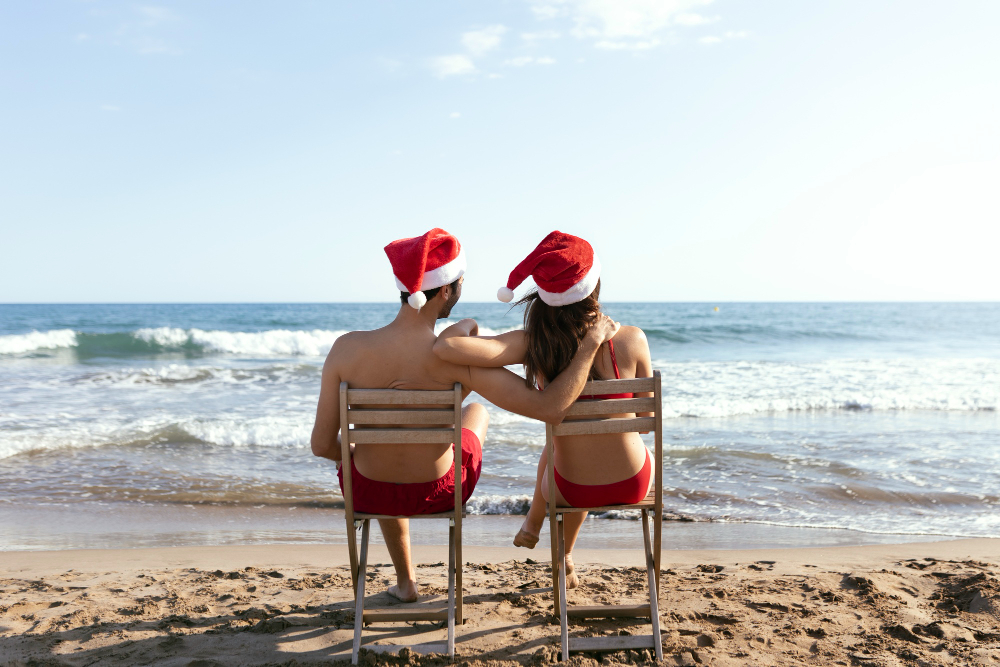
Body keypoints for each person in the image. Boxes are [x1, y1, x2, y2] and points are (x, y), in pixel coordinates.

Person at [311, 228, 620, 603]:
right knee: (475, 411)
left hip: (367, 490)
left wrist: (364, 452)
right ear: (445, 291)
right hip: (439, 491)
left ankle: (406, 583)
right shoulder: (454, 362)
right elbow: (548, 408)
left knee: (379, 452)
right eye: (459, 282)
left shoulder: (346, 349)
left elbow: (322, 445)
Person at [433, 231, 654, 588]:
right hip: (632, 484)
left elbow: (446, 349)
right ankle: (559, 549)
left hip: (569, 488)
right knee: (585, 447)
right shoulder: (632, 339)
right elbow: (644, 425)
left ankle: (546, 537)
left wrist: (467, 325)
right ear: (593, 284)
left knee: (560, 449)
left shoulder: (534, 344)